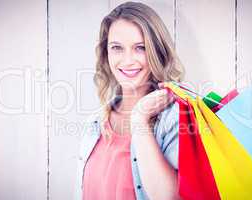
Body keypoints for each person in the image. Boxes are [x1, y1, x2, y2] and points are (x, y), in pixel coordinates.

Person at [75, 2, 184, 200]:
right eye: (117, 48)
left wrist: (140, 118)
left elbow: (171, 197)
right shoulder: (94, 123)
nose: (127, 60)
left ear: (157, 51)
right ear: (106, 53)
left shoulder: (176, 120)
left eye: (140, 48)